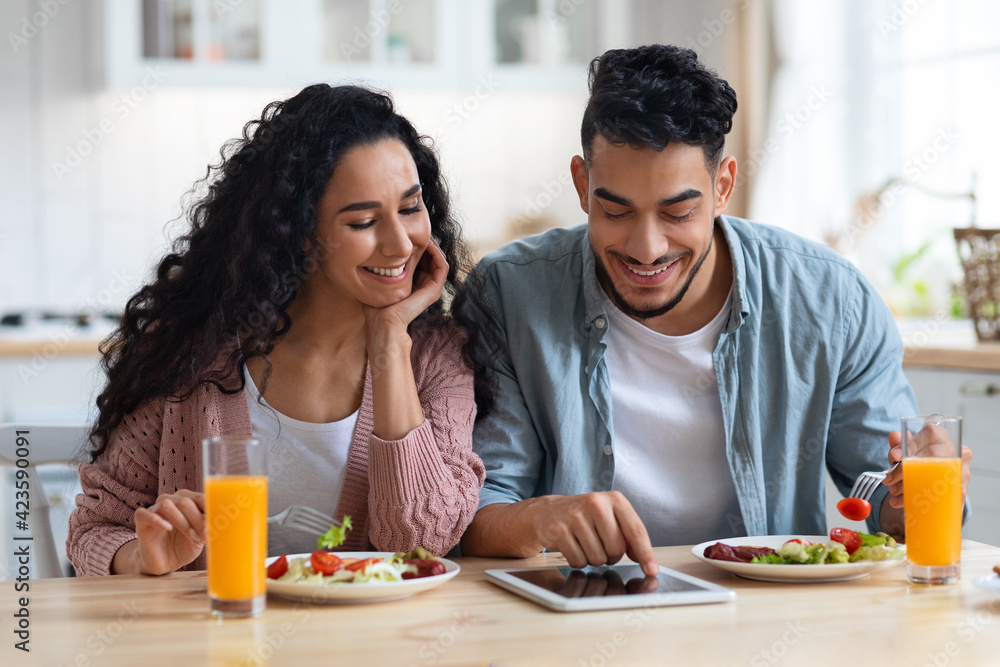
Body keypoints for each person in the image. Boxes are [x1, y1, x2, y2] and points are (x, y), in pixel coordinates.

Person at [455, 45, 972, 575]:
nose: (646, 247)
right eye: (615, 209)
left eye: (678, 211)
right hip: (583, 616)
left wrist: (925, 489)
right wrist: (541, 519)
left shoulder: (829, 301)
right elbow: (472, 515)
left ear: (722, 187)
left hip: (767, 623)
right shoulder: (508, 295)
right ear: (583, 185)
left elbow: (886, 506)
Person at [68, 84, 485, 577]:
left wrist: (392, 342)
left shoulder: (435, 357)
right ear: (302, 233)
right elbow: (96, 529)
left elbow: (419, 544)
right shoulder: (192, 350)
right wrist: (144, 555)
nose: (399, 244)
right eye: (364, 221)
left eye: (411, 209)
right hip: (214, 642)